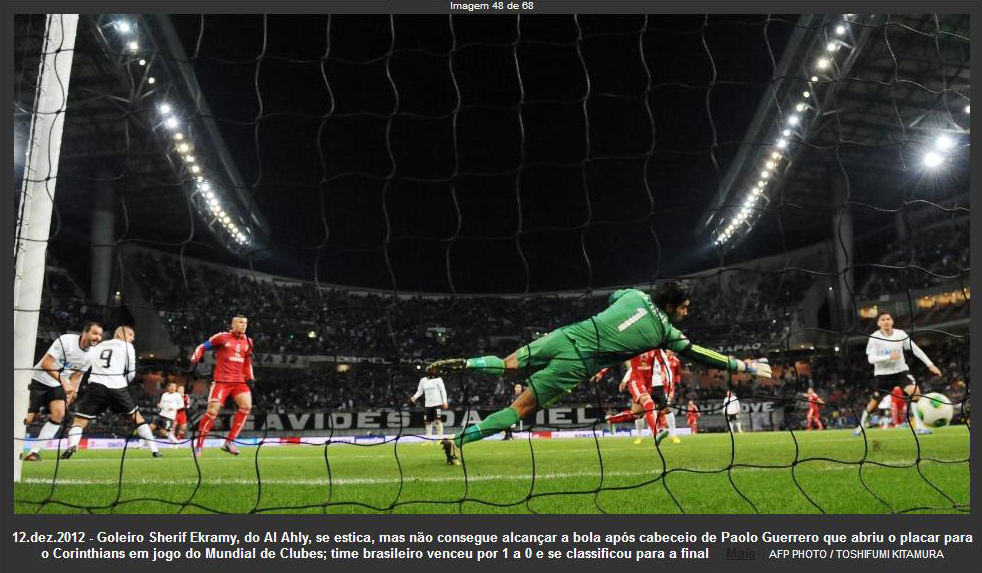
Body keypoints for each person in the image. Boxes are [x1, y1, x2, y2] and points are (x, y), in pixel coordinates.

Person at [427, 282, 771, 465]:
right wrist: (747, 366)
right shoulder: (669, 333)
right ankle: (457, 441)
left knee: (507, 364)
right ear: (670, 306)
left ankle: (469, 363)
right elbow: (701, 354)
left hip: (568, 334)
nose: (686, 311)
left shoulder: (634, 294)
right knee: (519, 409)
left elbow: (615, 300)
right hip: (578, 363)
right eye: (683, 307)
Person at [60, 326, 161, 459]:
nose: (133, 338)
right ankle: (154, 450)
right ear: (119, 334)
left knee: (79, 421)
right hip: (117, 387)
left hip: (96, 387)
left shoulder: (98, 346)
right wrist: (123, 382)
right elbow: (131, 372)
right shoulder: (127, 346)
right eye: (131, 335)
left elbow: (85, 365)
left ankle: (71, 445)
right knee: (136, 418)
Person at [21, 322, 103, 461]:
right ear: (84, 332)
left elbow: (77, 376)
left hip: (57, 385)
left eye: (100, 335)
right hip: (37, 380)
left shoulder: (92, 354)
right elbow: (45, 363)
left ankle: (34, 452)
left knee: (59, 414)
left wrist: (70, 396)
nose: (98, 337)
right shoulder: (66, 341)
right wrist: (64, 381)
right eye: (95, 333)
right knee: (27, 419)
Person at [854, 311, 942, 437]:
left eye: (888, 319)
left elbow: (915, 349)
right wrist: (889, 356)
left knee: (915, 392)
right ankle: (861, 426)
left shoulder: (900, 334)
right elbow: (871, 359)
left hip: (900, 372)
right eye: (883, 319)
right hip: (882, 376)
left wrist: (930, 365)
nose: (886, 321)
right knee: (873, 406)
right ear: (879, 323)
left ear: (892, 321)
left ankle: (920, 427)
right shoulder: (874, 338)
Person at [190, 315, 256, 456]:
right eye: (240, 322)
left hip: (239, 381)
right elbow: (202, 347)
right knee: (213, 412)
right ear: (232, 324)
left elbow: (247, 362)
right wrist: (194, 359)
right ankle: (199, 446)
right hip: (222, 381)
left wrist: (250, 378)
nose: (243, 325)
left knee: (246, 406)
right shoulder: (222, 337)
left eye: (245, 323)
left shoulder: (249, 342)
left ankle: (229, 442)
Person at [410, 375, 448, 445]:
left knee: (438, 420)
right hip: (428, 405)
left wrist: (445, 401)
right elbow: (420, 391)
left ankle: (440, 439)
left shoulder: (438, 379)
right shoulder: (423, 380)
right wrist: (414, 397)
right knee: (427, 422)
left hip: (438, 404)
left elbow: (443, 390)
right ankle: (428, 440)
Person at [156, 381, 183, 446]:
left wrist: (174, 407)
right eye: (171, 386)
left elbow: (182, 405)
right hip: (161, 414)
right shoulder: (164, 394)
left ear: (176, 388)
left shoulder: (177, 395)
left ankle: (177, 443)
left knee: (164, 432)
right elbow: (161, 404)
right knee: (151, 427)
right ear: (168, 387)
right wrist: (159, 405)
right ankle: (142, 444)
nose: (173, 388)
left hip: (169, 416)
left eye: (174, 387)